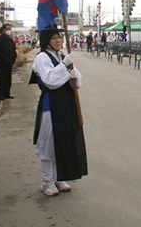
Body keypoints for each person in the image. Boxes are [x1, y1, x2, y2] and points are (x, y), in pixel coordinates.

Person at [30, 24, 88, 197]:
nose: (57, 41)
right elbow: (49, 80)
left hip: (65, 104)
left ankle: (58, 176)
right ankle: (47, 180)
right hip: (51, 105)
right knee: (48, 143)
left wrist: (73, 76)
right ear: (47, 41)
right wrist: (64, 66)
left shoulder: (61, 56)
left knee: (62, 140)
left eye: (59, 37)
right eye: (54, 38)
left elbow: (76, 80)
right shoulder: (42, 57)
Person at [0, 24, 18, 100]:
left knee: (8, 79)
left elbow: (13, 50)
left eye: (10, 29)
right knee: (1, 79)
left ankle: (7, 93)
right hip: (1, 63)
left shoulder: (10, 40)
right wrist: (3, 57)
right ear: (3, 30)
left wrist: (13, 58)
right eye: (7, 29)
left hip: (9, 63)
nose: (9, 31)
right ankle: (0, 94)